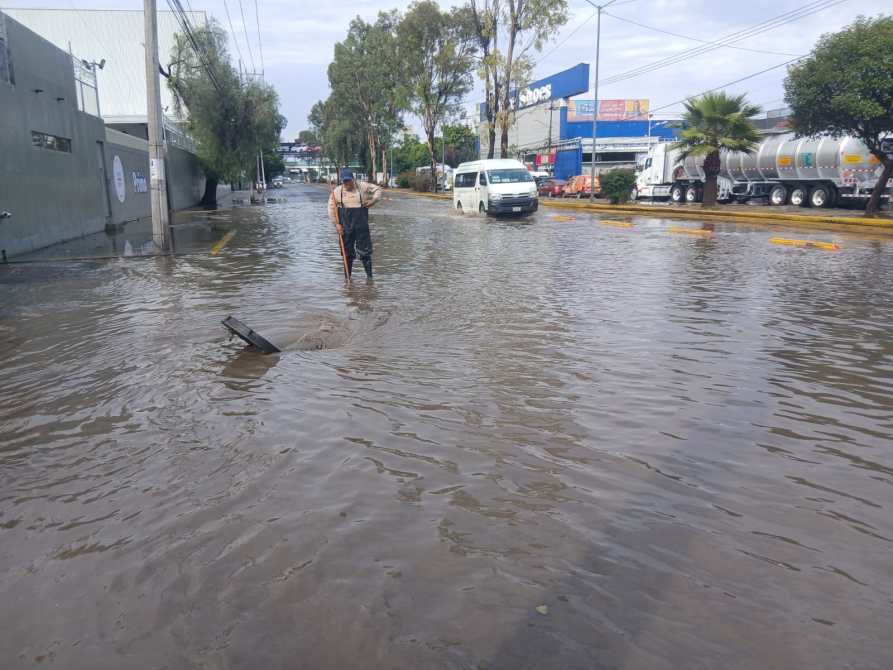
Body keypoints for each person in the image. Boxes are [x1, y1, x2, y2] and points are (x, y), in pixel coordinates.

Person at [328, 169, 382, 279]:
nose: (347, 183)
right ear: (342, 181)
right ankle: (348, 279)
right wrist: (336, 224)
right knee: (347, 253)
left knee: (365, 252)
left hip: (361, 225)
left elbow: (378, 189)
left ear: (353, 179)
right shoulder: (337, 191)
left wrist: (373, 201)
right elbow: (331, 208)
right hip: (345, 226)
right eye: (344, 181)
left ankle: (370, 279)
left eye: (349, 181)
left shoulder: (362, 186)